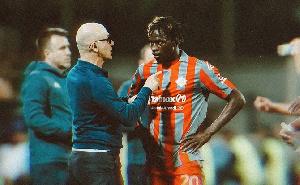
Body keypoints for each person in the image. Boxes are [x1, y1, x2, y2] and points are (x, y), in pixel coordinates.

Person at [129, 16, 245, 185]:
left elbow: (237, 99)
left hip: (186, 162)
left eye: (159, 42)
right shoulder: (145, 71)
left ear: (175, 40)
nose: (154, 48)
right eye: (151, 42)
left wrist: (208, 133)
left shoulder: (198, 69)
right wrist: (141, 131)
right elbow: (129, 104)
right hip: (155, 164)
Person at [67, 22, 161, 185]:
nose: (112, 43)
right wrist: (147, 89)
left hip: (81, 156)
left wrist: (125, 101)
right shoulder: (96, 81)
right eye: (107, 40)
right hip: (99, 161)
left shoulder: (75, 74)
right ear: (95, 46)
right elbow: (128, 118)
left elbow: (99, 108)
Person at [21, 28, 72, 185]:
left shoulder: (66, 81)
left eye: (69, 47)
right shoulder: (37, 78)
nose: (69, 52)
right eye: (62, 48)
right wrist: (69, 130)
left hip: (67, 159)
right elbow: (35, 118)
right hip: (48, 162)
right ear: (47, 53)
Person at [118, 44, 154, 185]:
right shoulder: (128, 88)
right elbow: (116, 120)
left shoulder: (171, 90)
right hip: (139, 162)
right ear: (141, 64)